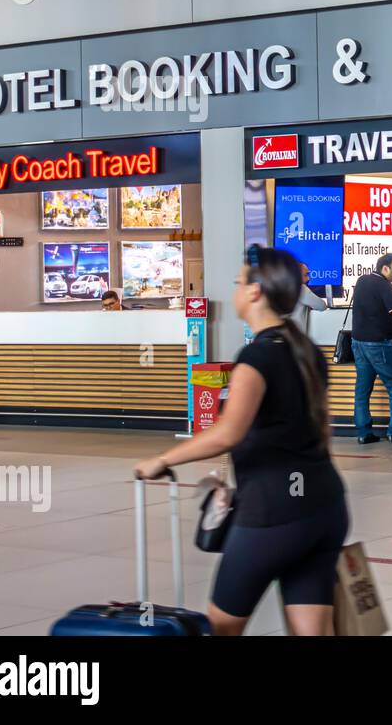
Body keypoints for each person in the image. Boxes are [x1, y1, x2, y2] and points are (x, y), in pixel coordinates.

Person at [133, 246, 348, 636]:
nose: (233, 290)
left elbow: (229, 432)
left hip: (273, 512)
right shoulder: (306, 351)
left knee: (222, 626)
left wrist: (163, 459)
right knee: (313, 630)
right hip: (324, 506)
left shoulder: (257, 357)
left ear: (254, 292)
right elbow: (318, 429)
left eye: (237, 283)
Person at [351, 253, 392, 444]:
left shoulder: (362, 280)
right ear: (385, 268)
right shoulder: (384, 285)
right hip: (378, 344)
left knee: (362, 389)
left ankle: (363, 433)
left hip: (358, 342)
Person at [295, 262, 328, 332]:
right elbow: (322, 306)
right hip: (295, 337)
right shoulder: (301, 289)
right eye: (306, 275)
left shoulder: (281, 286)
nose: (308, 279)